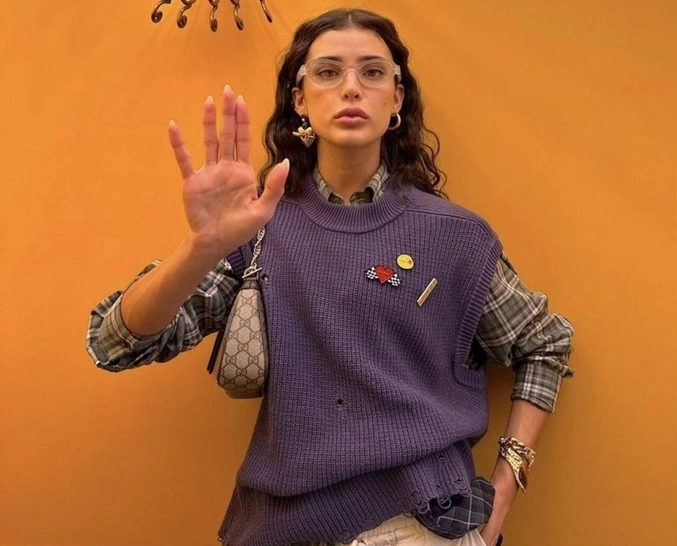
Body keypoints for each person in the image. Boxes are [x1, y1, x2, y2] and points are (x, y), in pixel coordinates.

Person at [86, 8, 573, 546]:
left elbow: (545, 343)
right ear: (299, 99)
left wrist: (506, 484)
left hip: (419, 523)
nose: (351, 87)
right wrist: (200, 247)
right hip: (279, 529)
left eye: (373, 72)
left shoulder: (455, 237)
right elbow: (114, 343)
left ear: (397, 97)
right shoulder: (255, 227)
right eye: (327, 71)